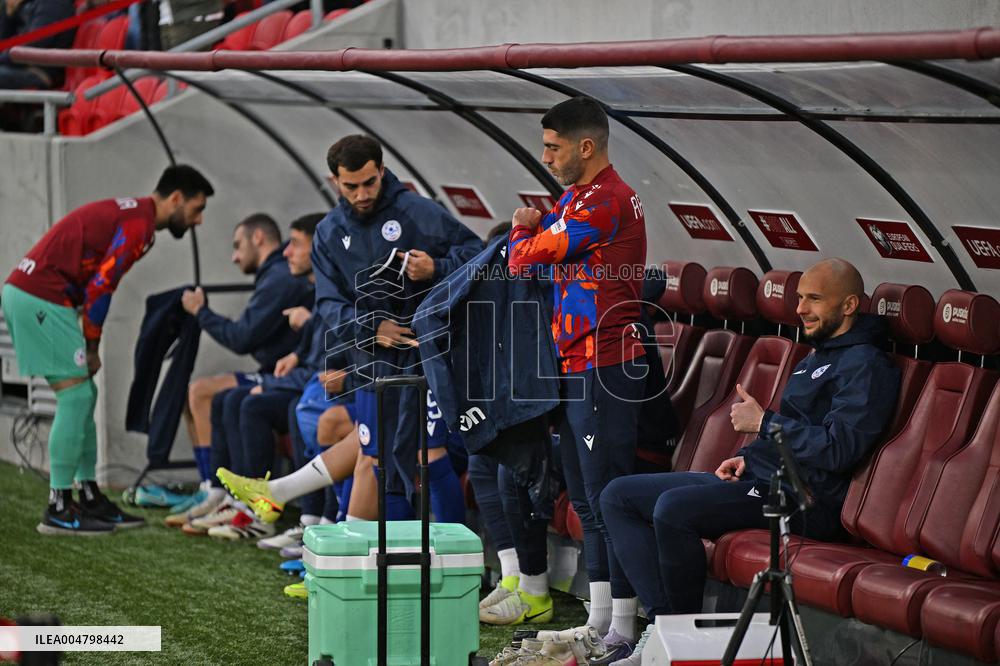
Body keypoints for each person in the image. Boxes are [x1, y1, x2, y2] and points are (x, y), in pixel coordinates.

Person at [599, 258, 901, 665]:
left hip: (806, 498)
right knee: (619, 496)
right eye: (799, 298)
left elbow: (839, 448)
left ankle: (681, 644)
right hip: (767, 478)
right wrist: (746, 456)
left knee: (673, 509)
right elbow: (792, 430)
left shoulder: (866, 364)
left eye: (814, 299)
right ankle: (664, 635)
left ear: (849, 305)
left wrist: (763, 423)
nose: (800, 309)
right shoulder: (818, 356)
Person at [215, 134, 482, 528]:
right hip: (373, 363)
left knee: (427, 454)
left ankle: (460, 561)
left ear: (383, 171)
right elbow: (328, 303)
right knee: (374, 456)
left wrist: (436, 269)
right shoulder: (328, 232)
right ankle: (351, 559)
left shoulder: (418, 213)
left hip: (429, 358)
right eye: (351, 186)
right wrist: (373, 327)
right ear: (334, 181)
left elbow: (479, 255)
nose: (361, 194)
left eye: (369, 183)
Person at [1, 164, 214, 535]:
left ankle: (87, 495)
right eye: (197, 209)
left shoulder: (135, 215)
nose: (197, 221)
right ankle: (59, 505)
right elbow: (102, 286)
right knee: (76, 397)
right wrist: (93, 344)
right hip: (40, 298)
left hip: (41, 296)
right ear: (176, 198)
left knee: (85, 394)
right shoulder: (140, 226)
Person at [506, 96, 647, 650]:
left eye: (552, 147)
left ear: (585, 147)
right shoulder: (574, 198)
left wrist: (523, 228)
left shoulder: (608, 201)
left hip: (606, 367)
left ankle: (623, 628)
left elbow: (526, 258)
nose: (545, 156)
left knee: (608, 497)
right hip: (574, 365)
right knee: (588, 499)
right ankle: (599, 620)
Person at [177, 213, 313, 524]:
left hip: (301, 379)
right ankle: (219, 490)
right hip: (287, 372)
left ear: (258, 238)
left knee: (208, 392)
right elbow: (255, 338)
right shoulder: (278, 275)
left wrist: (201, 312)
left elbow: (242, 337)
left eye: (238, 246)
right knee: (214, 396)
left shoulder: (281, 277)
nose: (234, 256)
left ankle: (232, 495)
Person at [0, 0, 74, 90]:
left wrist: (2, 58)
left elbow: (33, 46)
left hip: (40, 72)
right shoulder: (33, 3)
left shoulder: (53, 4)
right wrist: (8, 12)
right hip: (21, 65)